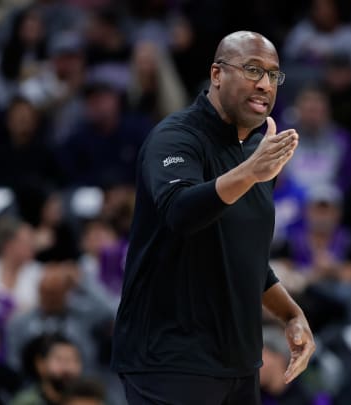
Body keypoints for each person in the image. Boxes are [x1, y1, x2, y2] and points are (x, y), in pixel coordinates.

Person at [110, 31, 316, 405]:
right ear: (217, 74)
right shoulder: (175, 138)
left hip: (237, 364)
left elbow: (245, 256)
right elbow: (181, 212)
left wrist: (291, 314)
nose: (264, 84)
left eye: (273, 74)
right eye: (253, 69)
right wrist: (251, 171)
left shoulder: (256, 152)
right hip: (170, 361)